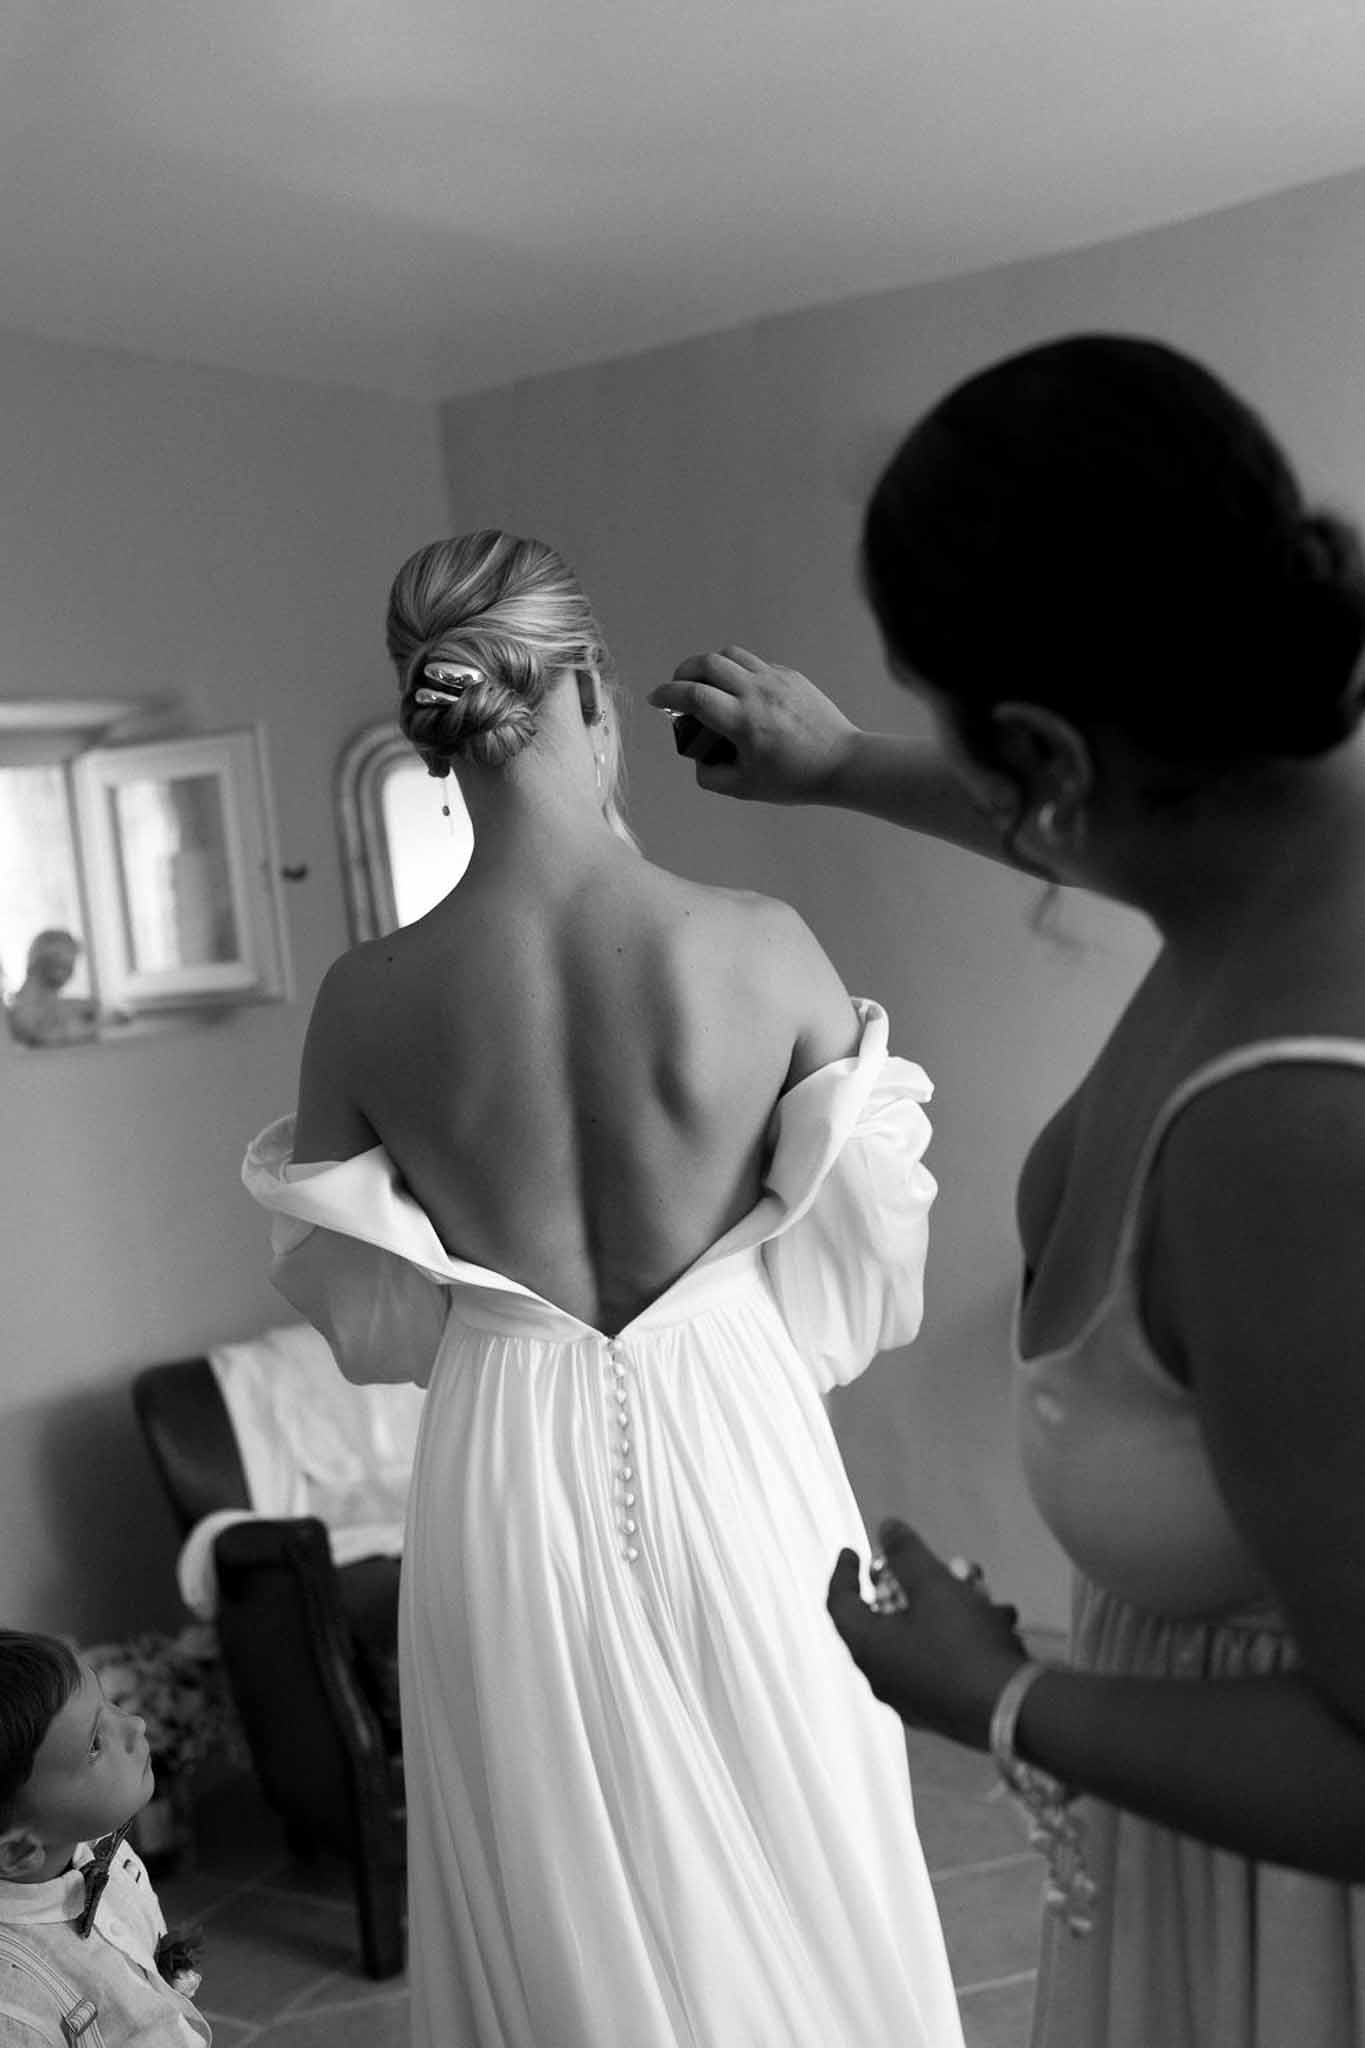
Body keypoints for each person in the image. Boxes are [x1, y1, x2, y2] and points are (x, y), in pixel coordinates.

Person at [651, 333, 1365, 2048]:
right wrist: (843, 765)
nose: (961, 772)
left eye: (949, 726)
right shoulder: (1286, 854)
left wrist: (1002, 1693)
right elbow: (1166, 815)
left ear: (1045, 747)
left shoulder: (1280, 1131)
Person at [242, 531, 966, 2048]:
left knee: (549, 1874)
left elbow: (369, 1309)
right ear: (589, 687)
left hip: (506, 1459)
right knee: (815, 1843)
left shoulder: (366, 1003)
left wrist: (499, 1313)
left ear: (437, 724)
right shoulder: (756, 945)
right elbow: (867, 1256)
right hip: (737, 1435)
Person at [0, 1629, 210, 2045]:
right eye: (95, 1745)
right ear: (19, 1850)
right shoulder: (15, 2007)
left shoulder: (100, 1850)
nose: (135, 1724)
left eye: (109, 1703)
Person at [6, 930, 100, 1048]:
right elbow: (40, 1036)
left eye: (71, 964)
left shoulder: (54, 1002)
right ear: (42, 960)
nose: (70, 971)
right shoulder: (24, 1008)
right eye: (64, 963)